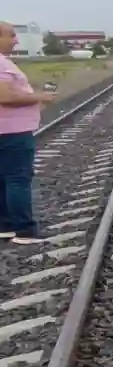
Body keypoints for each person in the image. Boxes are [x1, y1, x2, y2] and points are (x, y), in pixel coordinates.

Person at [0, 22, 55, 244]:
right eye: (11, 35)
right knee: (17, 178)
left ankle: (5, 226)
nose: (16, 40)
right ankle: (24, 230)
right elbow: (4, 97)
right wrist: (40, 97)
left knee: (3, 178)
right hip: (12, 131)